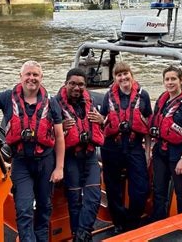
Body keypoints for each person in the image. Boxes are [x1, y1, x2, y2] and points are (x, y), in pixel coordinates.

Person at [0, 60, 65, 242]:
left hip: (46, 161)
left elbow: (59, 137)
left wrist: (59, 167)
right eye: (28, 74)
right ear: (20, 77)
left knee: (44, 207)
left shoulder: (52, 102)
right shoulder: (6, 97)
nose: (31, 78)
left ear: (41, 78)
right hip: (21, 162)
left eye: (35, 75)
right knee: (24, 208)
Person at [99, 61, 152, 233]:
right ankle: (118, 222)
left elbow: (147, 125)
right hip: (112, 147)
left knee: (141, 188)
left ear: (131, 74)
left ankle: (133, 221)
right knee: (113, 187)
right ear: (115, 78)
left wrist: (148, 152)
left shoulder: (143, 96)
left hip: (134, 146)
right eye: (119, 75)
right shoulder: (109, 96)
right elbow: (103, 119)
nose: (123, 78)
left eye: (125, 74)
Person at [54, 68, 104, 242]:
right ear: (66, 84)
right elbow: (45, 134)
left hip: (90, 156)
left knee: (94, 196)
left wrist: (102, 120)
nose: (77, 87)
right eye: (73, 83)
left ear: (86, 86)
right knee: (74, 200)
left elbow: (106, 124)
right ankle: (80, 236)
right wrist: (60, 127)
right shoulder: (54, 105)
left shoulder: (92, 102)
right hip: (70, 158)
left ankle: (81, 235)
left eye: (81, 84)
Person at [149, 64, 182, 222]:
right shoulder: (163, 100)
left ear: (181, 80)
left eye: (173, 79)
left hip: (179, 155)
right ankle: (159, 225)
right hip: (161, 152)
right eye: (167, 79)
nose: (170, 82)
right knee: (159, 192)